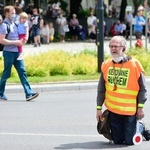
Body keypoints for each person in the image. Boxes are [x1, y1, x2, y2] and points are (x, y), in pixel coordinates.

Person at [96, 36, 149, 145]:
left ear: (123, 48)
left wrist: (140, 108)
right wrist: (98, 108)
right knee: (118, 141)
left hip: (130, 111)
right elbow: (101, 89)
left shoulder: (134, 65)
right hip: (113, 110)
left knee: (130, 141)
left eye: (116, 46)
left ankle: (140, 126)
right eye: (111, 46)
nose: (113, 49)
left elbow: (143, 89)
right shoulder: (106, 65)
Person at [0, 5, 39, 101]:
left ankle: (28, 93)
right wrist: (15, 42)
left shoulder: (15, 24)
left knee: (23, 72)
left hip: (17, 52)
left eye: (15, 13)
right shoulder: (4, 25)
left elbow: (23, 30)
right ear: (6, 13)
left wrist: (23, 39)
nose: (14, 15)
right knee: (7, 73)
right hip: (8, 52)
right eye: (12, 13)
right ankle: (0, 92)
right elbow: (1, 40)